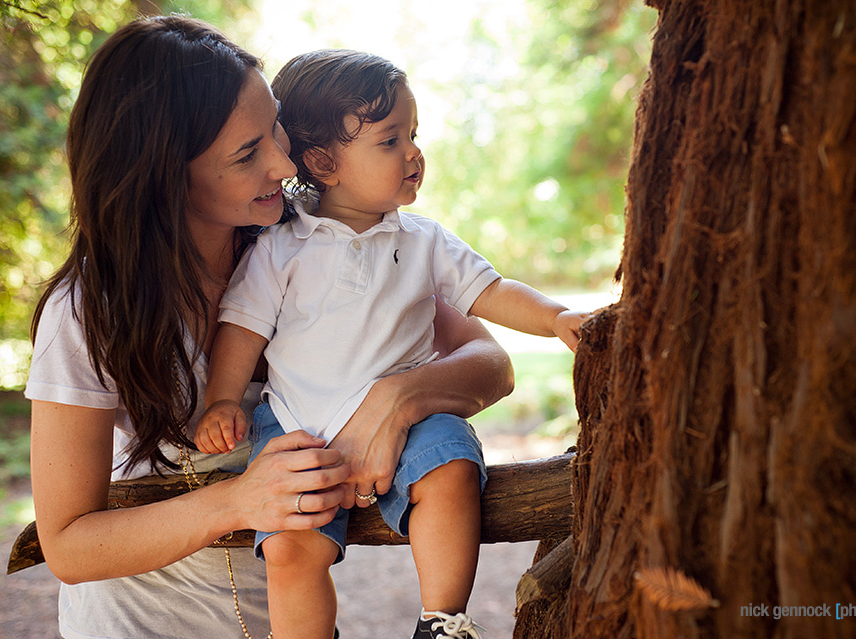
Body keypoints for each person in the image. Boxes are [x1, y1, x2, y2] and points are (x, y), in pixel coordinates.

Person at [25, 17, 514, 639]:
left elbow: (490, 363)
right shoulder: (91, 309)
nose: (286, 163)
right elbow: (67, 545)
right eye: (248, 153)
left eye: (275, 127)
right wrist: (239, 501)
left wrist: (395, 399)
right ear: (166, 174)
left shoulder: (308, 243)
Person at [194, 49, 591, 639]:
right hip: (298, 423)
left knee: (452, 468)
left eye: (413, 134)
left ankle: (443, 620)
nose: (414, 153)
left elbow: (493, 291)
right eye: (389, 141)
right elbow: (242, 328)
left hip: (412, 424)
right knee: (289, 549)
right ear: (324, 162)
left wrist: (558, 318)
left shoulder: (426, 241)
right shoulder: (283, 245)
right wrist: (223, 399)